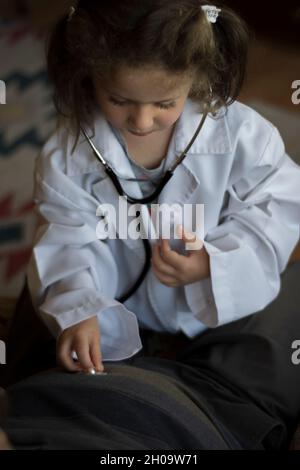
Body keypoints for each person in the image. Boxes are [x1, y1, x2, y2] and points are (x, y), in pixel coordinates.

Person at [2, 0, 300, 450]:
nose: (142, 122)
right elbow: (67, 235)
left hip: (212, 299)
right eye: (119, 100)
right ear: (88, 77)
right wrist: (78, 308)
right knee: (44, 325)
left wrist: (215, 262)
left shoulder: (241, 135)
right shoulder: (68, 154)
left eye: (165, 103)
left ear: (197, 81)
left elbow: (278, 204)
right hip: (114, 297)